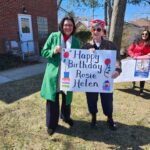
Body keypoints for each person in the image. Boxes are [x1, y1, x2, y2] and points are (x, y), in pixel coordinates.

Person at [40, 16, 80, 135]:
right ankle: (52, 124)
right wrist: (54, 50)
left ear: (73, 27)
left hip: (68, 74)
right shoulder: (53, 36)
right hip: (54, 74)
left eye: (70, 25)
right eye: (66, 25)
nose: (68, 27)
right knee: (53, 99)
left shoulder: (75, 41)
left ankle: (66, 117)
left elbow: (79, 58)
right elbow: (43, 52)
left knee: (66, 98)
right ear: (62, 26)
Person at [83, 19, 122, 130]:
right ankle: (93, 117)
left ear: (103, 31)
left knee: (107, 100)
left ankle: (109, 118)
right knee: (91, 99)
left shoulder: (110, 45)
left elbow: (117, 59)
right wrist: (87, 53)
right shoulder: (86, 46)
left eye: (98, 29)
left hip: (105, 79)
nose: (96, 31)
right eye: (93, 29)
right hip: (91, 80)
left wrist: (117, 70)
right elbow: (79, 61)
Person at [128, 30, 150, 95]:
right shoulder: (136, 41)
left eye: (146, 34)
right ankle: (133, 83)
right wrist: (132, 55)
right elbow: (130, 50)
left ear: (148, 36)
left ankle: (141, 90)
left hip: (144, 60)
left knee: (142, 75)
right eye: (143, 34)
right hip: (135, 59)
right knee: (133, 73)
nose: (144, 35)